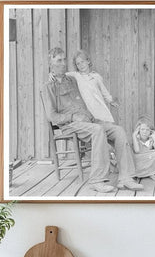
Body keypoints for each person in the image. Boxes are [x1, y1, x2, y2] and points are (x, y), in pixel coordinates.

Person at [41, 47, 143, 193]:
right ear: (50, 64)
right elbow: (51, 116)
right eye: (59, 60)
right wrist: (72, 116)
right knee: (98, 130)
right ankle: (97, 180)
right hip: (71, 124)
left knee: (118, 131)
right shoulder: (48, 87)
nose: (63, 63)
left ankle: (126, 178)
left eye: (64, 60)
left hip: (89, 120)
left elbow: (87, 77)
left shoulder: (72, 79)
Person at [63, 50, 118, 123]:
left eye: (82, 62)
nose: (81, 65)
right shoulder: (76, 75)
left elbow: (104, 91)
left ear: (88, 61)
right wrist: (52, 74)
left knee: (106, 127)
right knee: (95, 128)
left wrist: (110, 100)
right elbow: (62, 75)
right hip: (88, 109)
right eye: (78, 64)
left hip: (99, 107)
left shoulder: (96, 76)